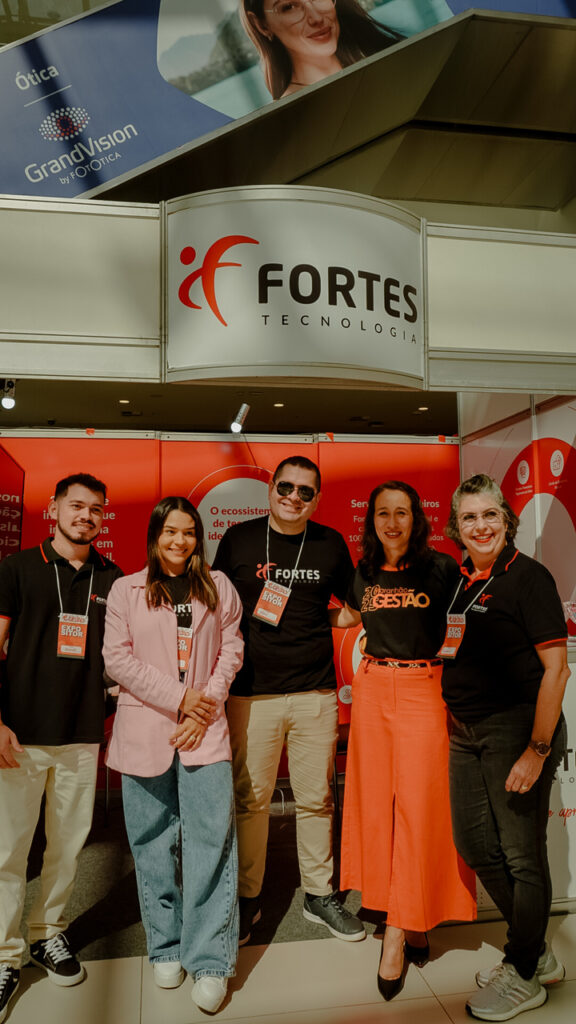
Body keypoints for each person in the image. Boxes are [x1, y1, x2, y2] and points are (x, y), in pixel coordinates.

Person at [331, 480, 477, 1000]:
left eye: (401, 512)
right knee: (377, 809)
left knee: (419, 809)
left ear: (416, 518)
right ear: (371, 520)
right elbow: (353, 613)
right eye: (382, 513)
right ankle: (410, 919)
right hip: (372, 688)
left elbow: (464, 627)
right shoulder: (365, 571)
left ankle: (396, 931)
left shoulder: (441, 569)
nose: (392, 523)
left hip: (423, 689)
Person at [213, 455, 365, 946]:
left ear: (316, 499)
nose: (293, 497)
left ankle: (319, 894)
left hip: (314, 692)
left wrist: (320, 620)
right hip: (251, 693)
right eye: (286, 487)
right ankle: (247, 897)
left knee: (317, 800)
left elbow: (356, 608)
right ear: (271, 488)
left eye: (305, 491)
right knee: (250, 801)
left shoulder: (330, 543)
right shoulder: (238, 540)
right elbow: (215, 607)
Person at [103, 496, 243, 1015]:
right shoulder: (126, 590)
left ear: (198, 538)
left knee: (211, 844)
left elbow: (232, 649)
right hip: (146, 731)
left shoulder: (218, 586)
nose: (179, 541)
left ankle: (210, 960)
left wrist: (203, 706)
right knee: (152, 845)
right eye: (170, 531)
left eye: (188, 532)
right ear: (155, 535)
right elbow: (117, 659)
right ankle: (164, 945)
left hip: (204, 729)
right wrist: (181, 698)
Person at [441, 474, 569, 1022]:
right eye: (469, 518)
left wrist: (536, 750)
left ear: (506, 520)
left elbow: (557, 671)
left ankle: (523, 974)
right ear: (457, 527)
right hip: (466, 732)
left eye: (490, 514)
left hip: (517, 730)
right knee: (474, 845)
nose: (480, 526)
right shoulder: (462, 580)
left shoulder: (528, 577)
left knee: (522, 856)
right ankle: (535, 950)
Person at [0, 473, 122, 1024]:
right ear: (54, 508)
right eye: (76, 505)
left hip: (80, 735)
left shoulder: (112, 578)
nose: (86, 516)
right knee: (8, 851)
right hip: (19, 736)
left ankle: (47, 933)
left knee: (67, 847)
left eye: (96, 509)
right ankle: (4, 955)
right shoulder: (17, 569)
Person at [239, 0, 403, 99]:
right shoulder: (289, 119)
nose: (316, 18)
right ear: (261, 25)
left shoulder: (382, 72)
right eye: (289, 6)